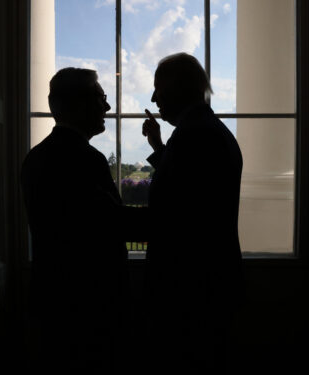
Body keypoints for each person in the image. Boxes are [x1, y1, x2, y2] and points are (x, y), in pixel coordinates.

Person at [21, 68, 137, 374]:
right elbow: (114, 224)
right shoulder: (85, 159)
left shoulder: (36, 157)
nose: (107, 107)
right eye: (101, 98)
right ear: (79, 103)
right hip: (89, 310)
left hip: (53, 303)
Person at [141, 53, 244, 374]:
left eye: (158, 87)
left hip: (190, 290)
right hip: (209, 282)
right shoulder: (207, 130)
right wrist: (159, 147)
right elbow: (191, 190)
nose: (153, 97)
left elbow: (175, 214)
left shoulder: (192, 135)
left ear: (176, 87)